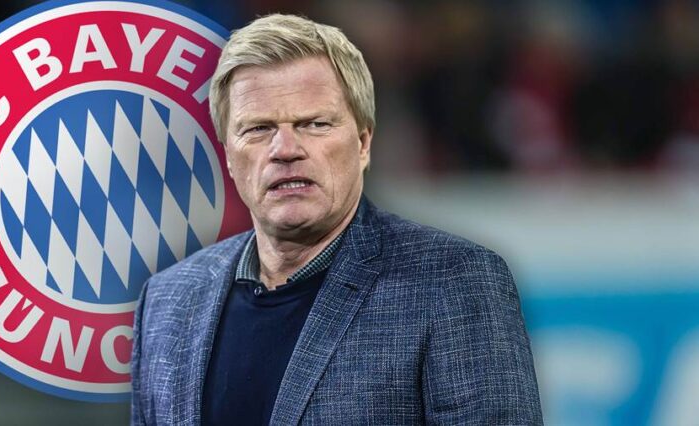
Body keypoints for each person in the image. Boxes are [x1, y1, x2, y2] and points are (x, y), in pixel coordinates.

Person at [131, 13, 542, 425]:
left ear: (363, 143)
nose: (285, 149)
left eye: (314, 124)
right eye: (258, 128)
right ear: (228, 156)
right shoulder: (167, 301)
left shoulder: (454, 282)